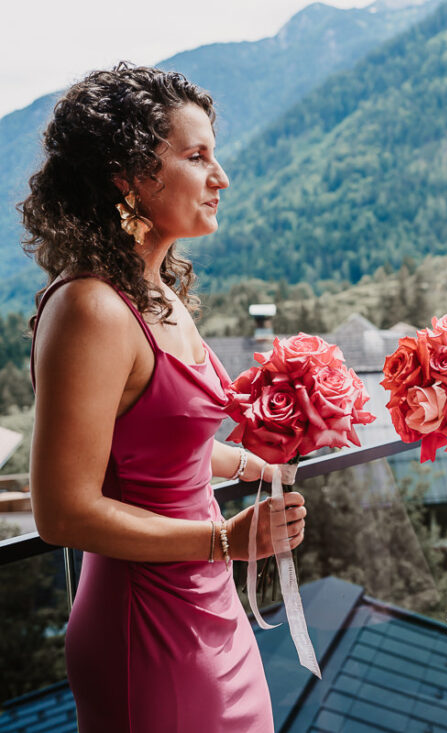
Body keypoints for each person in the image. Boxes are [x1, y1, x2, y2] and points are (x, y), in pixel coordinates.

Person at [22, 64, 307, 732]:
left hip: (210, 606)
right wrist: (220, 540)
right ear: (127, 175)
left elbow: (155, 451)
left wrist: (254, 462)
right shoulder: (90, 307)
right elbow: (62, 512)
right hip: (143, 623)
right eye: (196, 155)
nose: (221, 176)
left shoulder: (159, 293)